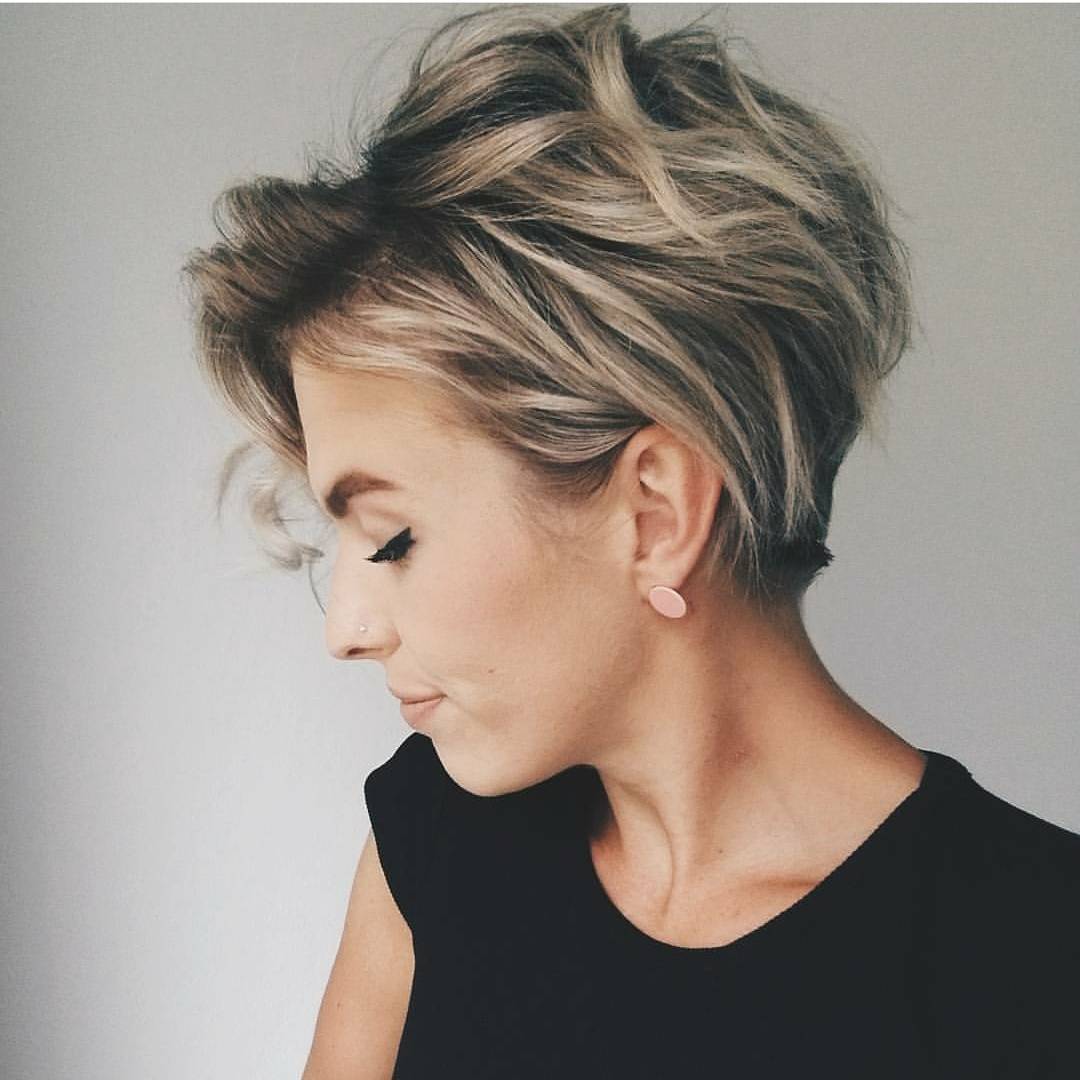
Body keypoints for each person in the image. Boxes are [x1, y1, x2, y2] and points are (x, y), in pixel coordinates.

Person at [181, 4, 1080, 1077]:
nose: (346, 630)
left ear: (657, 513)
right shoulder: (433, 848)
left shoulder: (1036, 964)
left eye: (392, 539)